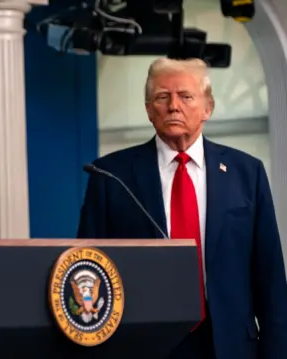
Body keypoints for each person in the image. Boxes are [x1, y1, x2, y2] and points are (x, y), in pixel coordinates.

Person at [78, 58, 287, 359]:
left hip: (230, 345)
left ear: (207, 108)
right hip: (144, 344)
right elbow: (89, 269)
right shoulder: (111, 175)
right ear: (149, 110)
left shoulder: (246, 173)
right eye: (163, 97)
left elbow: (270, 277)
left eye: (186, 96)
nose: (174, 106)